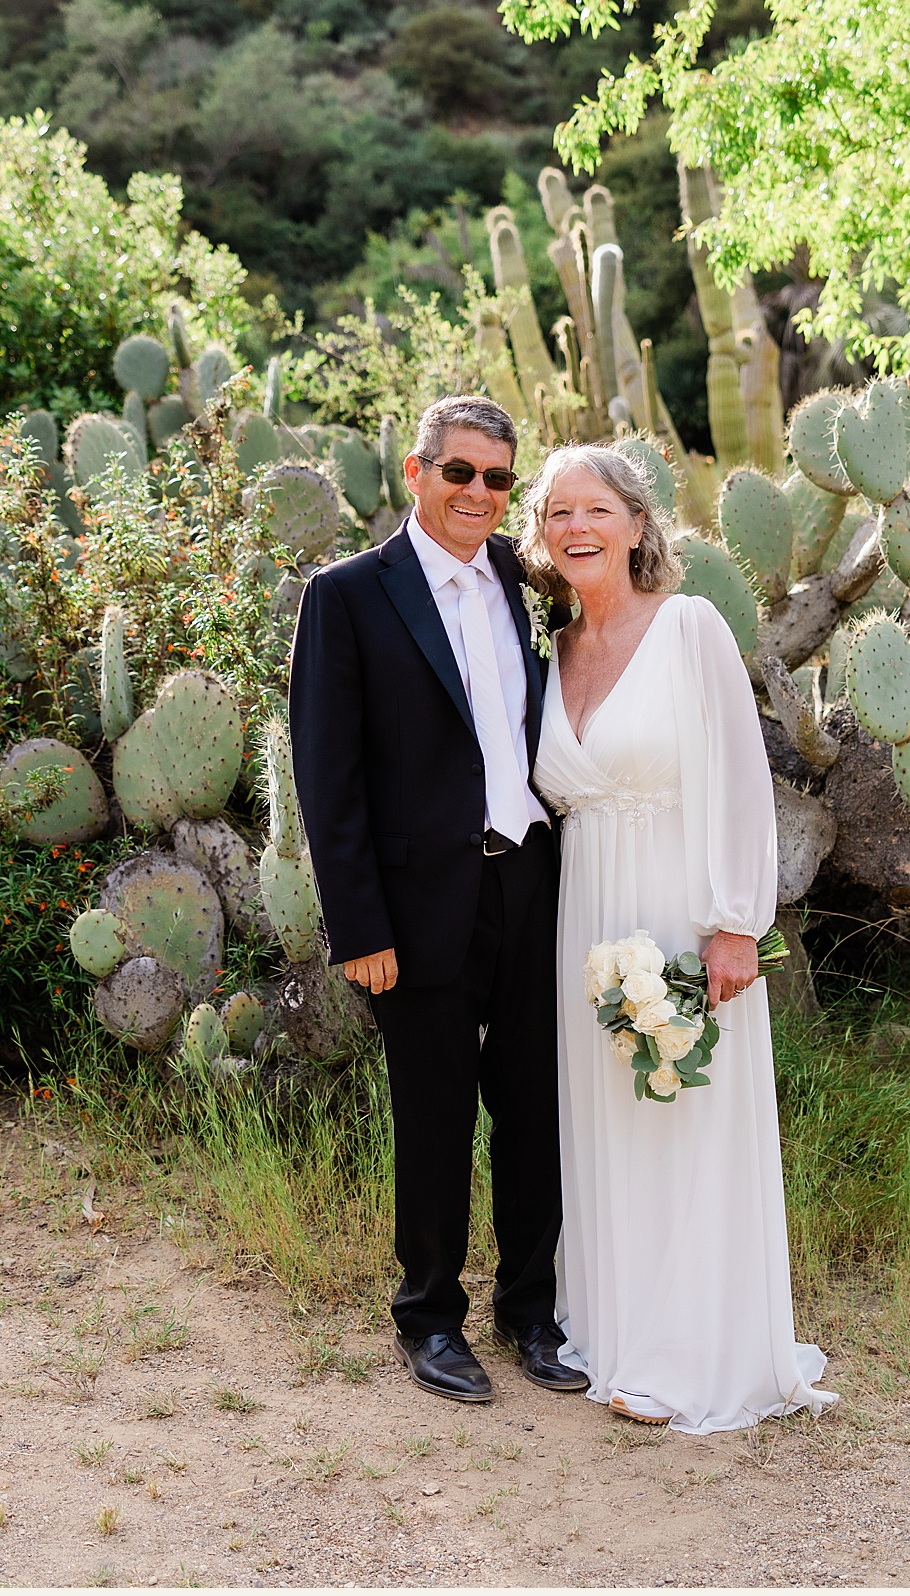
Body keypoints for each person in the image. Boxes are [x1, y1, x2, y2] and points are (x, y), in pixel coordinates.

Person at [524, 443, 837, 1434]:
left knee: (678, 1108)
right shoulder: (554, 651)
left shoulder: (689, 626)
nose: (575, 528)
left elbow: (738, 777)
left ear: (635, 521)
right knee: (605, 1121)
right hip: (585, 908)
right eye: (556, 512)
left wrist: (734, 921)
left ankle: (685, 1349)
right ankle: (608, 1326)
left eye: (593, 509)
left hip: (674, 900)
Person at [286, 395, 589, 1406]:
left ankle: (529, 1311)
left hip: (530, 878)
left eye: (499, 478)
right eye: (459, 472)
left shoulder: (521, 578)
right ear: (414, 473)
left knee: (534, 1111)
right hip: (413, 904)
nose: (478, 493)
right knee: (433, 1115)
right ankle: (429, 1317)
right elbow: (327, 780)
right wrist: (358, 927)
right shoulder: (347, 595)